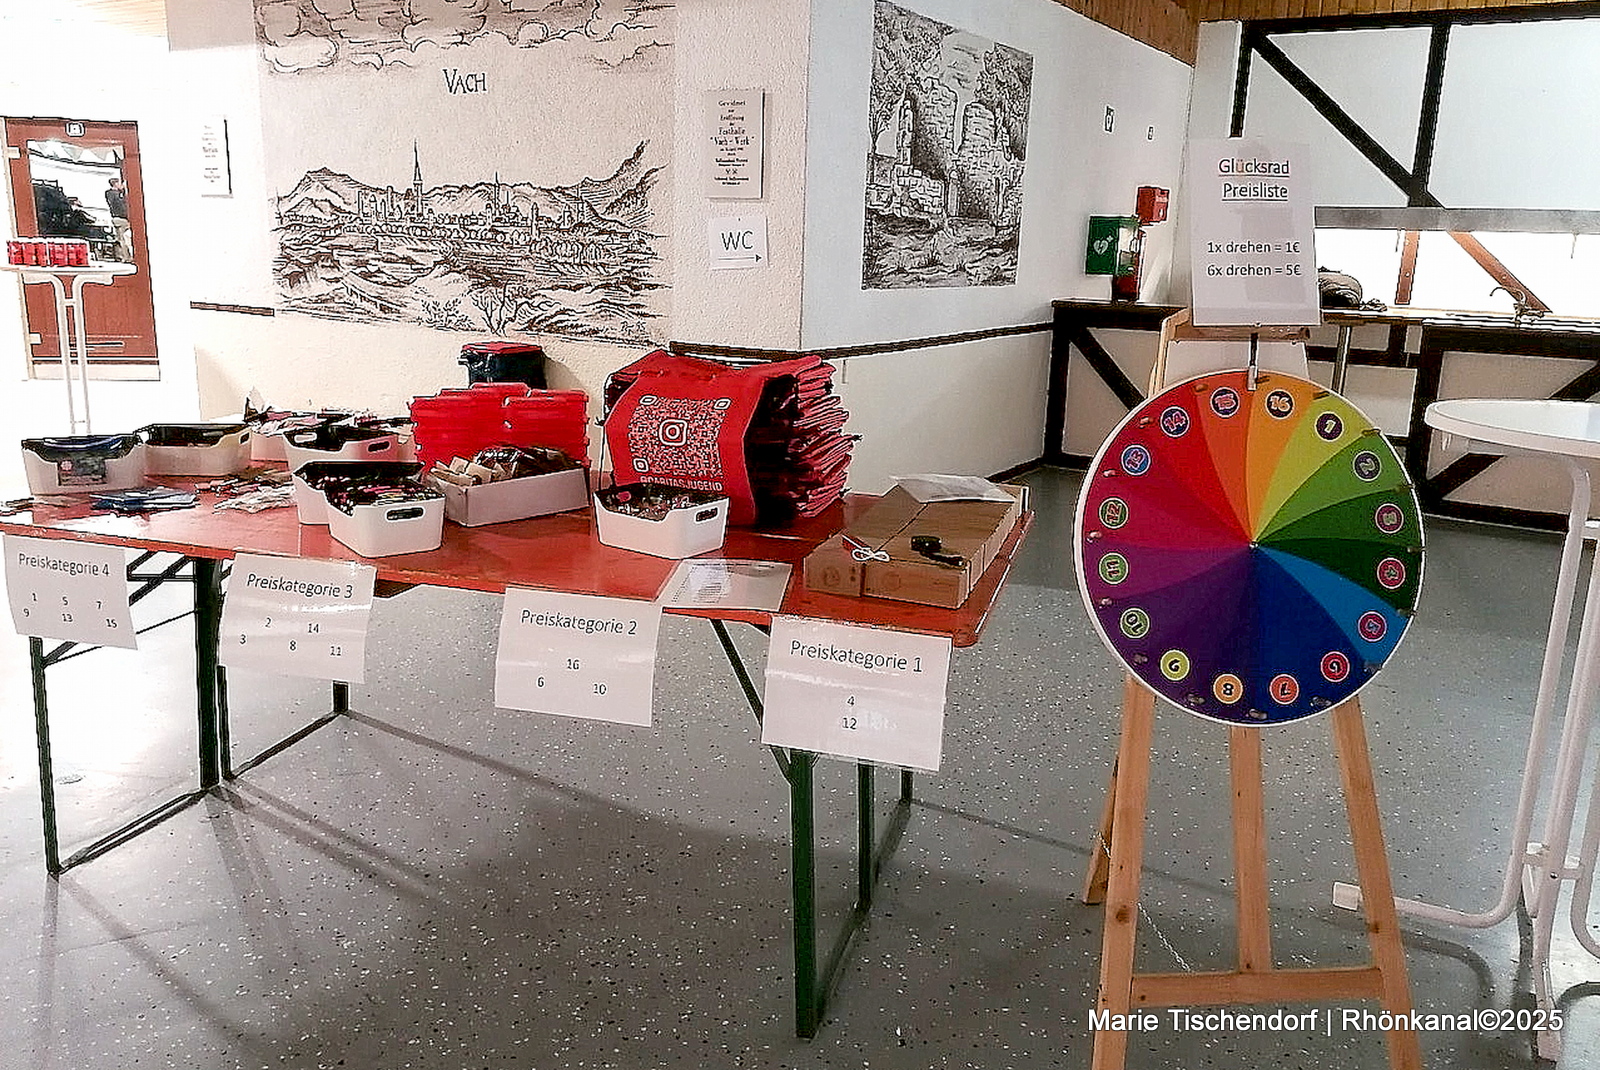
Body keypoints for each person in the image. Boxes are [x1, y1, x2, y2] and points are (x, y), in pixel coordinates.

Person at [105, 177, 133, 261]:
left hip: (115, 218)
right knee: (125, 238)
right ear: (116, 184)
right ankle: (126, 257)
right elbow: (121, 206)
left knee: (120, 238)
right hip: (122, 218)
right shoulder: (116, 195)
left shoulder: (109, 194)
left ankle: (122, 256)